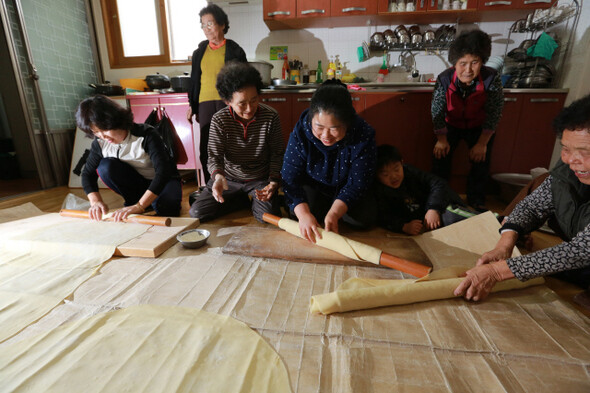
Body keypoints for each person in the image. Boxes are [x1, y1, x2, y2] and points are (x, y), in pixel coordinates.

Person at [454, 94, 590, 303]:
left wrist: (498, 272)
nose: (571, 159)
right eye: (565, 148)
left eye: (584, 152)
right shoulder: (568, 170)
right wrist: (504, 244)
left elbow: (581, 250)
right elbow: (533, 206)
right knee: (543, 182)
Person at [281, 80, 377, 243]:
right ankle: (321, 210)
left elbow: (358, 183)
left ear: (347, 122)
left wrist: (334, 213)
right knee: (301, 215)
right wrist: (304, 214)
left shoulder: (363, 134)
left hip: (345, 186)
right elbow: (289, 178)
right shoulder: (301, 133)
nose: (326, 135)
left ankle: (331, 210)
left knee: (365, 218)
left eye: (334, 128)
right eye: (319, 127)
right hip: (314, 185)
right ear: (311, 118)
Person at [189, 62, 284, 223]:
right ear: (228, 101)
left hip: (259, 179)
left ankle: (249, 200)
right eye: (242, 103)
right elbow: (214, 156)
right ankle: (239, 200)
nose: (249, 108)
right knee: (197, 212)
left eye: (254, 100)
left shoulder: (270, 116)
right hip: (228, 179)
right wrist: (218, 177)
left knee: (267, 217)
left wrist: (274, 182)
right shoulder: (220, 119)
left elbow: (277, 153)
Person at [431, 29, 504, 212]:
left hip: (478, 126)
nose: (468, 70)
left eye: (474, 62)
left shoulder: (491, 79)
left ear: (483, 61)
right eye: (462, 63)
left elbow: (495, 112)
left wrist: (482, 143)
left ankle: (477, 200)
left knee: (481, 162)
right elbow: (437, 110)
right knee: (440, 160)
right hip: (450, 125)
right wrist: (441, 139)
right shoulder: (444, 79)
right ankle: (440, 198)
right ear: (455, 63)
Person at [76, 95, 182, 221]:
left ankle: (143, 203)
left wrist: (140, 206)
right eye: (96, 132)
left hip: (164, 181)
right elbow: (87, 174)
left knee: (167, 208)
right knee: (106, 166)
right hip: (137, 183)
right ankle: (135, 201)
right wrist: (96, 202)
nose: (102, 136)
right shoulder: (100, 143)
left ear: (114, 120)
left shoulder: (146, 134)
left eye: (104, 129)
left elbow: (163, 172)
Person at [187, 3, 247, 184]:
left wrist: (241, 103)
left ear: (222, 24)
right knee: (207, 146)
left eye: (210, 23)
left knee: (230, 145)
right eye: (203, 25)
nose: (206, 29)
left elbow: (244, 79)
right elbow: (194, 80)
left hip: (227, 103)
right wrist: (192, 104)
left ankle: (234, 185)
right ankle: (211, 186)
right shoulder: (199, 52)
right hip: (204, 104)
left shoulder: (235, 50)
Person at [375, 144, 475, 235]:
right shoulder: (379, 190)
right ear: (377, 175)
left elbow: (438, 183)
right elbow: (383, 216)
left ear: (402, 163)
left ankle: (489, 221)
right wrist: (403, 226)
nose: (393, 177)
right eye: (385, 174)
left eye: (396, 169)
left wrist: (433, 208)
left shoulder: (410, 172)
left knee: (454, 217)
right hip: (422, 220)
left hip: (440, 205)